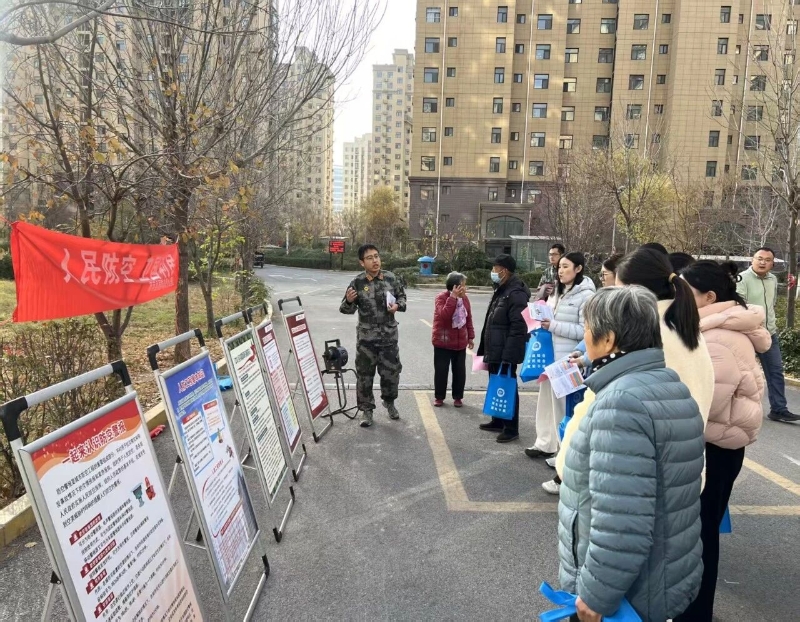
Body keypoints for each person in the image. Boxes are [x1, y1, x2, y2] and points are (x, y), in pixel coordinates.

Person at [558, 286, 705, 622]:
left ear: (608, 339)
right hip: (662, 576)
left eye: (586, 328)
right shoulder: (668, 384)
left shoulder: (621, 403)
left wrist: (596, 597)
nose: (584, 336)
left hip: (626, 597)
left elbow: (622, 521)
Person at [556, 247, 715, 478]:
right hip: (683, 469)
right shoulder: (685, 328)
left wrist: (565, 461)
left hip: (634, 473)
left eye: (619, 291)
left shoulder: (640, 336)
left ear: (635, 293)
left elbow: (597, 406)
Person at [675, 261, 770, 622]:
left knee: (699, 535)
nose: (678, 298)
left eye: (685, 292)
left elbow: (706, 403)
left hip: (713, 447)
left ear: (710, 297)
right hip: (719, 443)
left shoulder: (717, 338)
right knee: (701, 531)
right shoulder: (715, 329)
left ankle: (696, 612)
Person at [525, 252, 595, 461]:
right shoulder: (557, 291)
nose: (560, 271)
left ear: (578, 269)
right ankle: (544, 443)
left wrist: (553, 326)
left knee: (562, 406)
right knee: (545, 401)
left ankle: (562, 450)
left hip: (568, 360)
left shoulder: (586, 295)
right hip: (548, 355)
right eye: (559, 267)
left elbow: (584, 331)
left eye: (565, 267)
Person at [340, 244, 407, 427]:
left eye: (376, 256)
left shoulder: (391, 278)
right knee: (365, 376)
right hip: (366, 341)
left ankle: (389, 402)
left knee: (391, 374)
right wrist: (349, 301)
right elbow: (345, 309)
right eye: (370, 258)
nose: (375, 260)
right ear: (362, 262)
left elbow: (402, 298)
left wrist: (398, 306)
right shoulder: (357, 283)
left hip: (389, 338)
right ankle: (367, 411)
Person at [736, 247, 800, 423]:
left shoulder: (773, 279)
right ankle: (735, 410)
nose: (763, 262)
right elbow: (739, 305)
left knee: (775, 371)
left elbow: (771, 305)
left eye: (767, 260)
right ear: (752, 260)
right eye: (759, 258)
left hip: (769, 334)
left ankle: (779, 409)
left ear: (773, 263)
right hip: (747, 334)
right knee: (742, 373)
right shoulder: (742, 278)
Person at [476, 254, 530, 442]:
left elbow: (519, 326)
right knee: (496, 383)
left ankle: (511, 428)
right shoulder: (502, 289)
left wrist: (509, 354)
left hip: (506, 349)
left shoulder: (515, 293)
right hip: (496, 348)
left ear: (504, 271)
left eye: (495, 268)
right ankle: (498, 420)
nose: (493, 272)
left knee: (507, 386)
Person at [431, 272, 475, 407]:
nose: (465, 288)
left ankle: (458, 397)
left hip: (460, 343)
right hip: (443, 342)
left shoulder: (465, 299)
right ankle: (439, 397)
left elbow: (468, 318)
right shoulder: (441, 298)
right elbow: (444, 315)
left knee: (459, 372)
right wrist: (453, 298)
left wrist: (470, 336)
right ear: (456, 287)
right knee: (441, 371)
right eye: (463, 285)